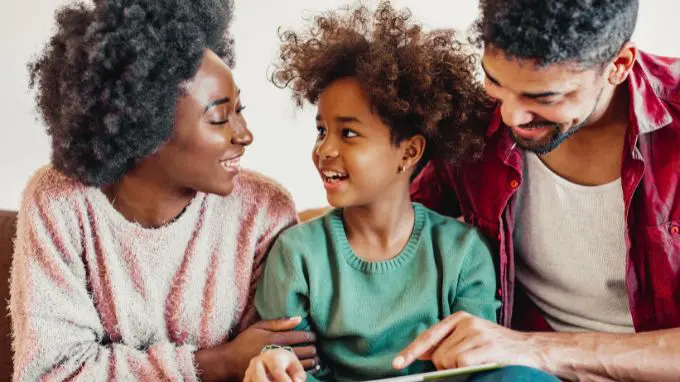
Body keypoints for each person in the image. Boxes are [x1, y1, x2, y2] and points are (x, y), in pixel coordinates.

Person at [242, 2, 559, 381]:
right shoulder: (297, 255)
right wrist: (276, 365)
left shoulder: (463, 253)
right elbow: (292, 365)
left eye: (348, 133)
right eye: (322, 131)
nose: (325, 150)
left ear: (409, 151)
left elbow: (477, 365)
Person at [9, 0, 318, 380]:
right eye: (220, 117)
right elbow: (50, 372)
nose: (244, 134)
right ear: (147, 129)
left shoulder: (262, 212)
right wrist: (218, 362)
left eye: (241, 109)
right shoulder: (60, 203)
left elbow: (270, 363)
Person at [399, 0, 680, 380]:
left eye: (544, 98)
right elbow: (386, 219)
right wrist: (292, 318)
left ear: (618, 66)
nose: (511, 117)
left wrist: (534, 348)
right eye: (495, 82)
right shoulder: (475, 121)